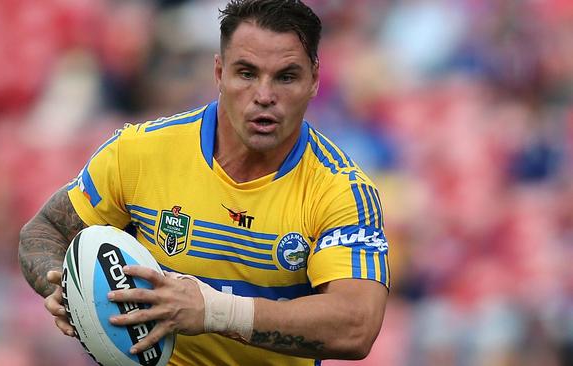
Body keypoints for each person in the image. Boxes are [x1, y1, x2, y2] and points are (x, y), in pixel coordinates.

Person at [19, 0, 390, 364]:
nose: (264, 96)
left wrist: (214, 311)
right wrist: (66, 289)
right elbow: (44, 231)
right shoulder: (140, 152)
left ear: (314, 81)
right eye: (246, 73)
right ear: (218, 73)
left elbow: (357, 327)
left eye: (286, 77)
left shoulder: (342, 191)